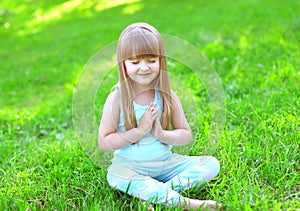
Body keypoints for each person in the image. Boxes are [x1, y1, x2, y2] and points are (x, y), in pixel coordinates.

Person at [98, 22, 222, 211]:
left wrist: (161, 134)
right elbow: (104, 142)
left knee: (211, 164)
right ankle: (185, 204)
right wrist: (140, 131)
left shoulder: (167, 95)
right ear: (123, 65)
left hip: (166, 165)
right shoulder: (117, 97)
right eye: (135, 62)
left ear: (161, 61)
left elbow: (185, 135)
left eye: (151, 60)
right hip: (130, 167)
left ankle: (154, 194)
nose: (144, 67)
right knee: (115, 174)